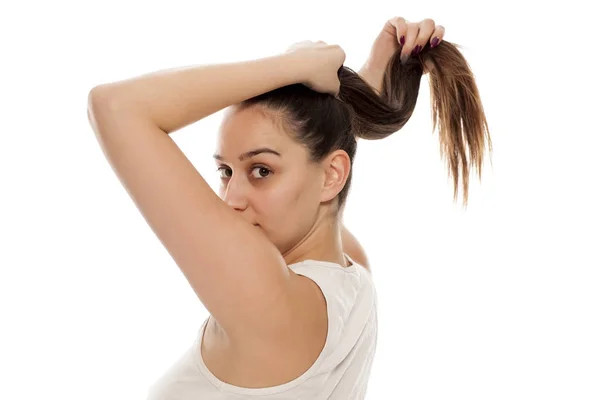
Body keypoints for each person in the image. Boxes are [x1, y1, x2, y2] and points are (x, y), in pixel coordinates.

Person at [88, 15, 491, 400]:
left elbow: (114, 106)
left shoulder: (268, 298)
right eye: (226, 171)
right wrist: (358, 86)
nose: (232, 200)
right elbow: (314, 170)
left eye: (261, 170)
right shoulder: (351, 276)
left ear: (333, 175)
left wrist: (293, 65)